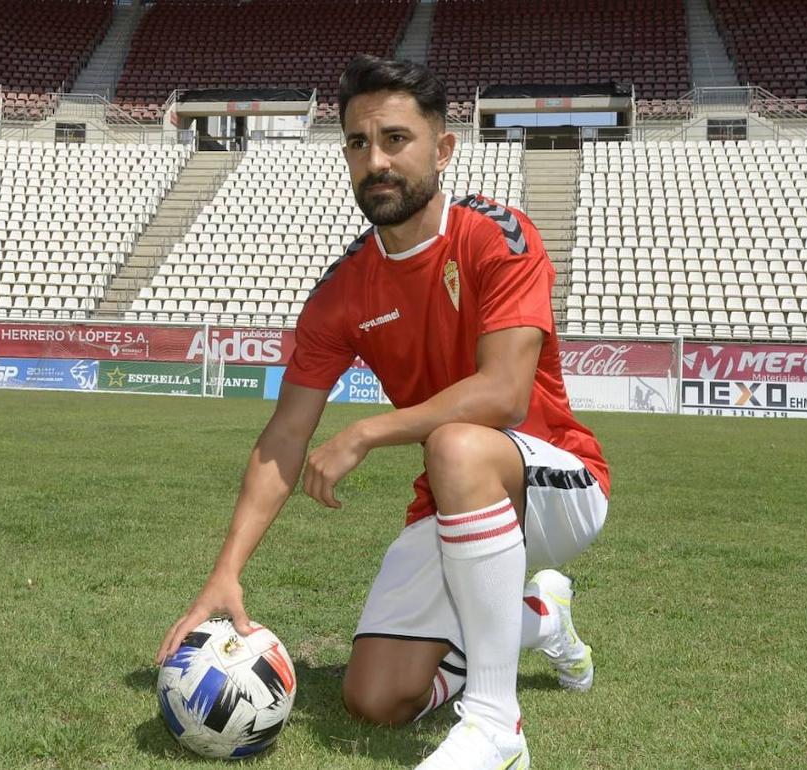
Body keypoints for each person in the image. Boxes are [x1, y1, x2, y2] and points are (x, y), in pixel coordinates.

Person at [156, 54, 610, 770]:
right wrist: (226, 571)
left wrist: (366, 431)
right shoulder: (342, 292)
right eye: (359, 143)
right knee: (376, 698)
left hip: (558, 482)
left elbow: (504, 395)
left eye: (396, 139)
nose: (377, 160)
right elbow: (285, 435)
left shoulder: (497, 234)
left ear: (444, 147)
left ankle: (496, 726)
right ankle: (542, 615)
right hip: (454, 501)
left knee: (459, 443)